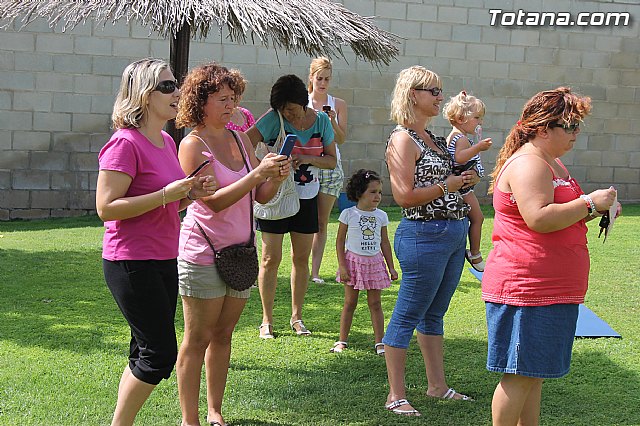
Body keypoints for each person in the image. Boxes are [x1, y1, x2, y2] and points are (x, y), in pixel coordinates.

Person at [483, 87, 619, 426]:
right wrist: (589, 202)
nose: (576, 134)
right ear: (544, 128)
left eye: (577, 126)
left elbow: (558, 214)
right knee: (519, 375)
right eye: (570, 126)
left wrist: (598, 208)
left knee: (534, 372)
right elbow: (539, 217)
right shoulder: (529, 163)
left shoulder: (549, 161)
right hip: (528, 288)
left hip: (549, 287)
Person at [96, 58, 216, 426]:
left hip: (164, 256)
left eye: (174, 85)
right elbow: (106, 207)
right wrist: (168, 194)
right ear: (144, 95)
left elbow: (166, 203)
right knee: (158, 355)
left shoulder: (165, 140)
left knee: (144, 350)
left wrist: (190, 194)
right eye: (166, 87)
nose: (176, 92)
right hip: (131, 261)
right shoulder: (124, 143)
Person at [174, 63, 290, 426]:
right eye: (222, 99)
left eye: (234, 98)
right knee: (197, 339)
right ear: (200, 102)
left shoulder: (240, 139)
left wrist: (276, 176)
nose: (231, 105)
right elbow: (215, 201)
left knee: (223, 335)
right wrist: (257, 173)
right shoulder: (192, 145)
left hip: (240, 253)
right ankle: (189, 419)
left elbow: (260, 195)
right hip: (203, 252)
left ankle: (214, 411)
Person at [382, 66, 480, 417]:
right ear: (413, 94)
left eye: (440, 91)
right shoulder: (402, 139)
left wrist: (462, 179)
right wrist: (446, 187)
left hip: (452, 234)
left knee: (434, 314)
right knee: (408, 314)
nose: (441, 97)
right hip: (424, 235)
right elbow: (403, 196)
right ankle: (395, 395)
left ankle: (437, 386)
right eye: (433, 91)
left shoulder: (433, 138)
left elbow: (448, 178)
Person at [246, 74, 337, 338]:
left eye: (292, 110)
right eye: (284, 110)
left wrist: (302, 157)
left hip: (306, 197)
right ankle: (267, 320)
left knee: (301, 258)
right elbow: (243, 142)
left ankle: (296, 317)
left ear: (303, 102)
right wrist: (263, 168)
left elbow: (331, 160)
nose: (289, 115)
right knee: (270, 258)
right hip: (275, 196)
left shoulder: (321, 121)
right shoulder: (275, 118)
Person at [331, 169, 398, 355]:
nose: (377, 196)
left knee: (375, 303)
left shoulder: (382, 216)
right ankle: (342, 340)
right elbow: (339, 242)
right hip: (353, 263)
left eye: (379, 192)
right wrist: (342, 266)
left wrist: (391, 267)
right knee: (349, 303)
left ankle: (380, 342)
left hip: (374, 263)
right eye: (373, 191)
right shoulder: (348, 214)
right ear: (360, 192)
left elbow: (384, 242)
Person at [307, 56, 349, 284]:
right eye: (319, 78)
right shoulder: (302, 103)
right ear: (311, 78)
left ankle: (315, 272)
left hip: (331, 166)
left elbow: (341, 139)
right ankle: (300, 268)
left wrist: (332, 121)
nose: (323, 83)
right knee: (303, 219)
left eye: (327, 79)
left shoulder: (338, 104)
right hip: (307, 165)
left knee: (321, 222)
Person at [443, 91, 493, 272]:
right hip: (463, 190)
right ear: (460, 118)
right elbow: (460, 157)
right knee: (478, 218)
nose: (480, 122)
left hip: (460, 187)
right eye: (477, 117)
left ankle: (473, 251)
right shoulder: (461, 138)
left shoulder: (457, 136)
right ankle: (475, 252)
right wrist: (478, 147)